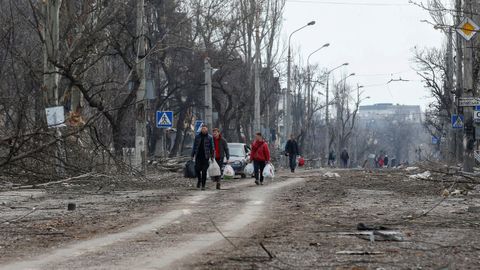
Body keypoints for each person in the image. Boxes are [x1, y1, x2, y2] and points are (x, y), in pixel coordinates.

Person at [191, 125, 214, 190]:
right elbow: (194, 147)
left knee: (204, 171)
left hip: (206, 157)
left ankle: (203, 185)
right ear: (201, 129)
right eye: (202, 129)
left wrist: (212, 156)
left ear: (207, 130)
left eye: (205, 129)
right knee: (197, 169)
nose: (203, 130)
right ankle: (199, 180)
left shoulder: (210, 137)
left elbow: (212, 148)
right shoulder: (197, 137)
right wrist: (192, 155)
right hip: (198, 156)